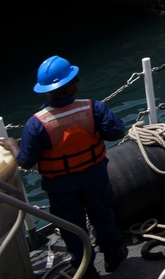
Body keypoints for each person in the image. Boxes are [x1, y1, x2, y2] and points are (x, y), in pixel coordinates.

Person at [1, 57, 128, 278]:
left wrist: (12, 145)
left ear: (47, 91)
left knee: (72, 228)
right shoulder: (93, 108)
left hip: (61, 188)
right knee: (104, 217)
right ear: (70, 86)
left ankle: (85, 270)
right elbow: (117, 132)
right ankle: (113, 256)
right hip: (95, 178)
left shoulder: (36, 124)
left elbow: (25, 160)